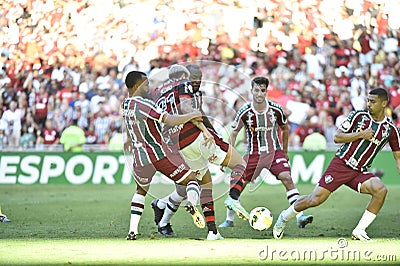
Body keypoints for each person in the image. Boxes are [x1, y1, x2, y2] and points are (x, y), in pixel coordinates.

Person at [272, 88, 400, 241]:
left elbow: (397, 157)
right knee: (315, 199)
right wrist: (361, 134)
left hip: (360, 171)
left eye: (373, 102)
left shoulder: (390, 130)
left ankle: (359, 230)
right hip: (341, 164)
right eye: (368, 100)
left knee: (380, 190)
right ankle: (284, 218)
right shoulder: (358, 116)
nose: (369, 104)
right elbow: (337, 137)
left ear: (384, 103)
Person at [218, 77, 313, 228]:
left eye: (262, 90)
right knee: (238, 183)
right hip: (253, 154)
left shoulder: (276, 109)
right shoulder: (245, 111)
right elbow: (234, 132)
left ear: (266, 91)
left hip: (274, 152)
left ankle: (300, 216)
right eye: (256, 90)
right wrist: (229, 155)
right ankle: (229, 220)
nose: (259, 94)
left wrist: (285, 151)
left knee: (287, 178)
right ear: (251, 91)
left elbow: (285, 128)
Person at [122, 71, 205, 240]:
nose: (148, 87)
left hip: (140, 158)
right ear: (137, 86)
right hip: (159, 155)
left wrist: (129, 140)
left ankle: (132, 230)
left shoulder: (126, 105)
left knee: (140, 191)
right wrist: (192, 115)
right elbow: (169, 120)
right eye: (146, 85)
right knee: (192, 180)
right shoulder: (144, 104)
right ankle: (191, 203)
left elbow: (133, 126)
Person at [151, 64, 226, 240]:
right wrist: (209, 133)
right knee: (197, 184)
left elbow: (197, 115)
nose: (197, 81)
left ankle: (161, 207)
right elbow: (192, 115)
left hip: (176, 144)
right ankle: (211, 230)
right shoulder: (181, 92)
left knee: (183, 189)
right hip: (180, 143)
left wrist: (211, 132)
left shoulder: (168, 93)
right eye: (193, 78)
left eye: (199, 78)